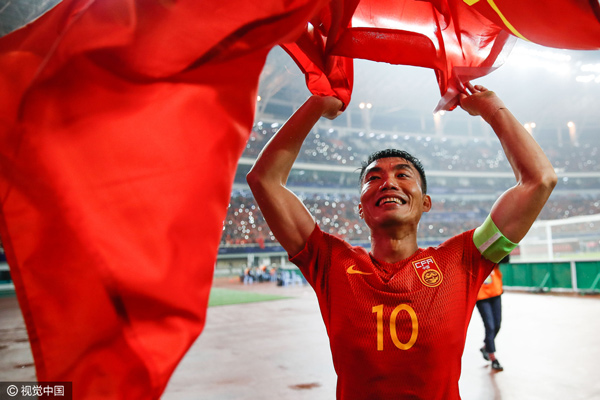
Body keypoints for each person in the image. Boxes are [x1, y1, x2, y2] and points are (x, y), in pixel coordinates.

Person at [246, 83, 557, 399]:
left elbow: (540, 180)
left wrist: (492, 107)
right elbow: (263, 179)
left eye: (403, 174)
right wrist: (315, 105)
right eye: (373, 178)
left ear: (425, 202)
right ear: (360, 208)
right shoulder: (329, 262)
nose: (388, 183)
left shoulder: (464, 259)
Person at [476, 254, 510, 371]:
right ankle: (492, 357)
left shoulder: (492, 254)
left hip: (495, 293)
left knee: (497, 325)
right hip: (481, 297)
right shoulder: (472, 256)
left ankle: (486, 346)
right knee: (490, 326)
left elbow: (505, 259)